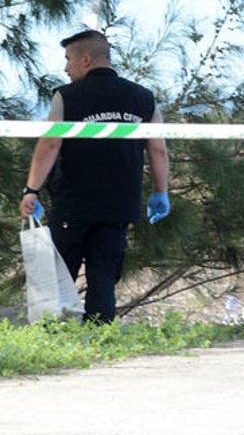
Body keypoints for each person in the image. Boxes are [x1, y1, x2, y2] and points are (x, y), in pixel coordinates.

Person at [19, 29, 171, 324]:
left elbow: (50, 143)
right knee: (104, 277)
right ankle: (100, 340)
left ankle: (52, 341)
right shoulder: (144, 98)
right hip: (118, 205)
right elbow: (158, 149)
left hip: (74, 203)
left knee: (59, 276)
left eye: (68, 60)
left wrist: (31, 189)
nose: (66, 68)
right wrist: (160, 191)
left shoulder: (66, 96)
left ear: (86, 59)